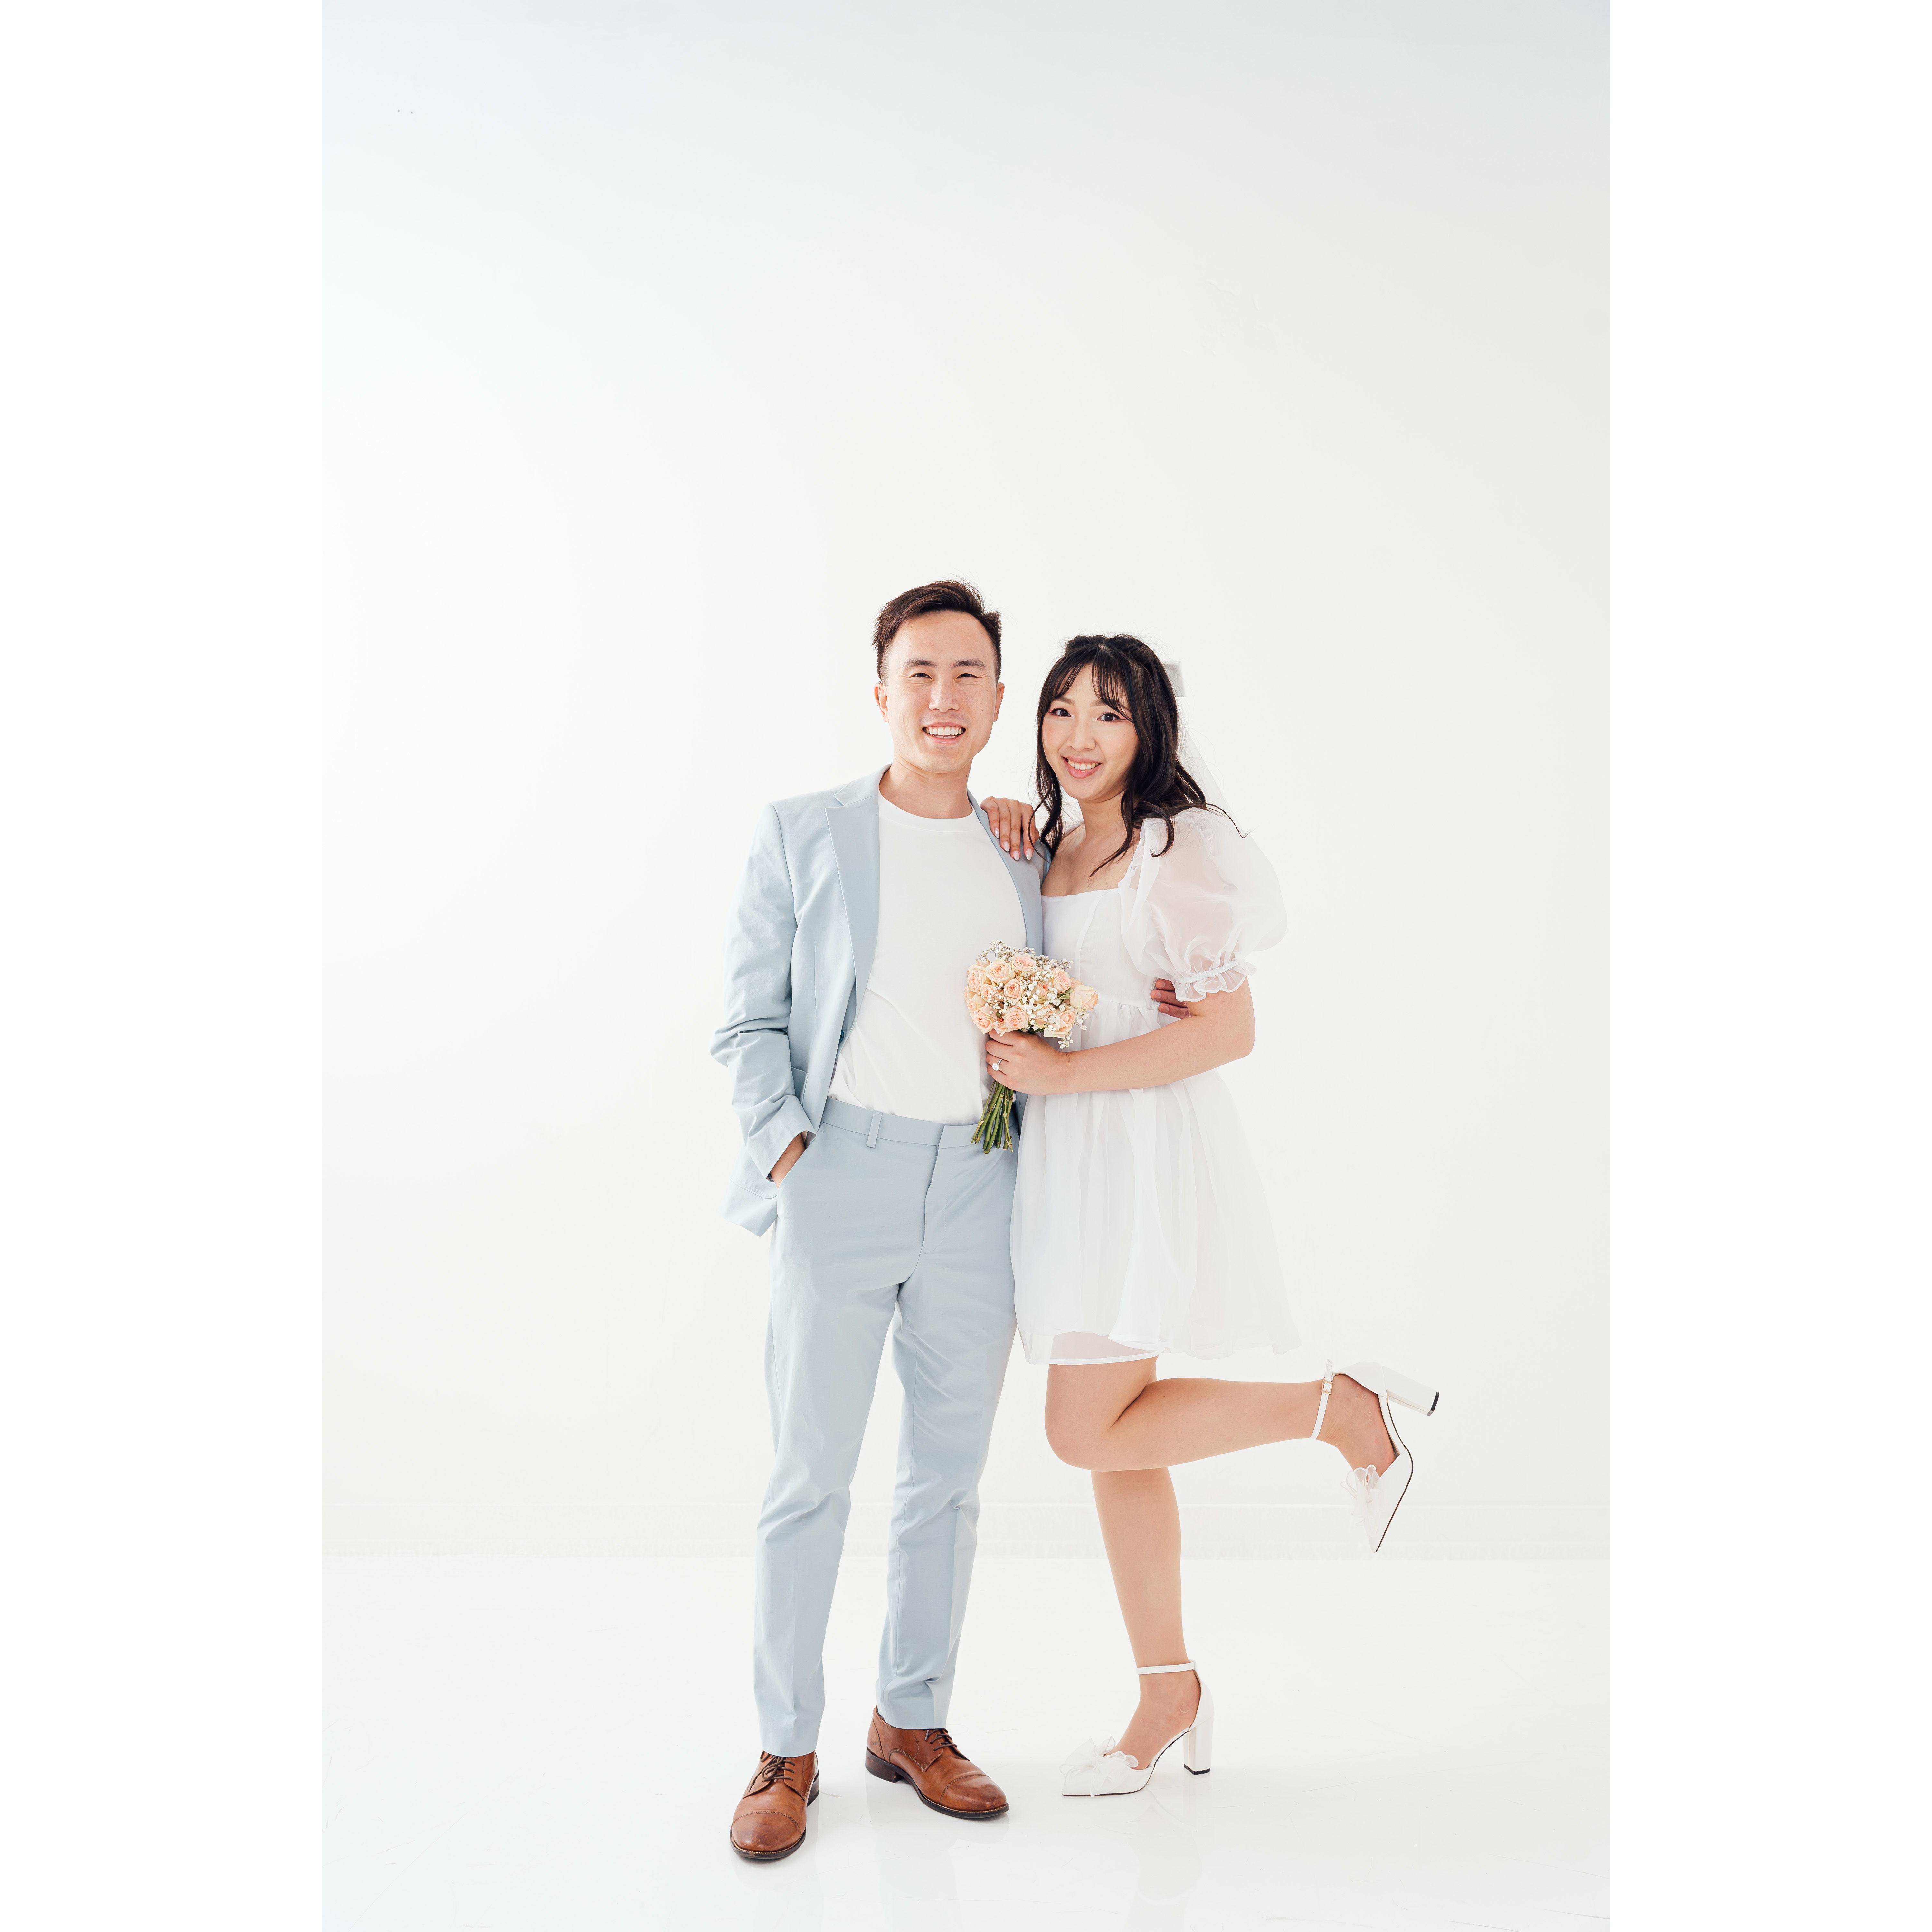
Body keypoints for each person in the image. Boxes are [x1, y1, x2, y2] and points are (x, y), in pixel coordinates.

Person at [710, 584, 1188, 1860]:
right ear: (882, 692)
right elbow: (749, 1019)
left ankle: (911, 1721)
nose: (944, 697)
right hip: (840, 1175)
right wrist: (791, 1151)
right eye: (920, 673)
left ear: (997, 698)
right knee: (810, 1479)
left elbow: (1087, 963)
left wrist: (1162, 995)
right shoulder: (805, 830)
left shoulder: (1021, 846)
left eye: (969, 674)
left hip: (982, 1187)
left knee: (948, 1482)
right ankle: (785, 1748)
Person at [978, 635, 1438, 1798]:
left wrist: (1063, 1073)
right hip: (1063, 1161)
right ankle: (1165, 1693)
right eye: (1062, 711)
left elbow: (1230, 1031)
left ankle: (1341, 1410)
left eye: (1110, 715)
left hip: (1129, 1152)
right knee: (1114, 1437)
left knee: (1085, 1429)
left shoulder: (1169, 847)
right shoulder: (1051, 844)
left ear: (1151, 732)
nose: (1080, 737)